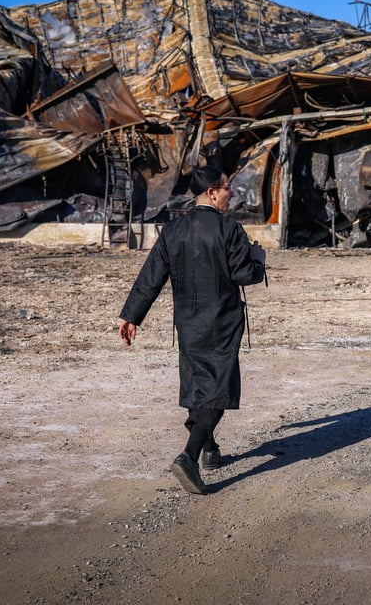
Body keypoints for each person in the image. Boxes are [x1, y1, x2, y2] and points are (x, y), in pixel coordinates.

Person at [118, 164, 267, 494]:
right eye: (227, 187)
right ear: (212, 193)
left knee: (199, 383)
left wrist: (131, 316)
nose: (232, 193)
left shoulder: (173, 231)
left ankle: (210, 449)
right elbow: (245, 275)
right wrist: (258, 259)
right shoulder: (230, 230)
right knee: (217, 389)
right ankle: (188, 456)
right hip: (223, 322)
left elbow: (151, 277)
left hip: (188, 322)